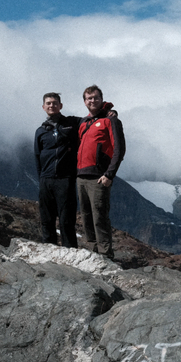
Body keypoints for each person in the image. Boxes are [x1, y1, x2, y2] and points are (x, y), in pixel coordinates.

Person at [34, 92, 117, 247]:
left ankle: (70, 252)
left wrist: (108, 111)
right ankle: (48, 254)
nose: (52, 105)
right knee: (46, 220)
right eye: (48, 103)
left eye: (55, 103)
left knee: (66, 221)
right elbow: (37, 156)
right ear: (43, 107)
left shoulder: (72, 123)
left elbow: (92, 119)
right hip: (46, 180)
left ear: (61, 106)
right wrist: (42, 179)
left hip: (65, 180)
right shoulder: (40, 131)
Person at [76, 84, 125, 256]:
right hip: (81, 176)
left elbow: (119, 149)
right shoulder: (83, 122)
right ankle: (94, 250)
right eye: (89, 98)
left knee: (99, 216)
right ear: (84, 102)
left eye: (96, 97)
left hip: (99, 176)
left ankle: (105, 254)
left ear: (101, 99)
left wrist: (109, 174)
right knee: (86, 216)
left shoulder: (111, 120)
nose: (93, 100)